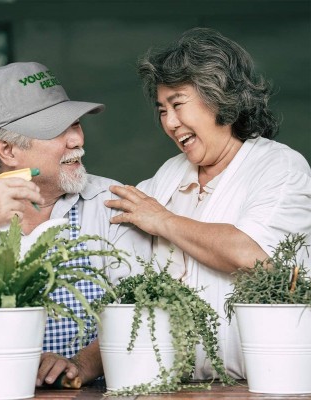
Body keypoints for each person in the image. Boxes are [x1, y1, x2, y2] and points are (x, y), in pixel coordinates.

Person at [0, 62, 152, 386]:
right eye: (56, 129)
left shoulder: (112, 205)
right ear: (7, 150)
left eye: (76, 124)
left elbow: (144, 309)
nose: (76, 140)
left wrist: (81, 364)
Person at [104, 27, 311, 380]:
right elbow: (109, 214)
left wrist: (163, 220)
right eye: (162, 109)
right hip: (179, 386)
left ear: (220, 99)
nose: (169, 123)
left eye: (178, 104)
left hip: (262, 384)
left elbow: (255, 256)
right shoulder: (169, 175)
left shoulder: (279, 167)